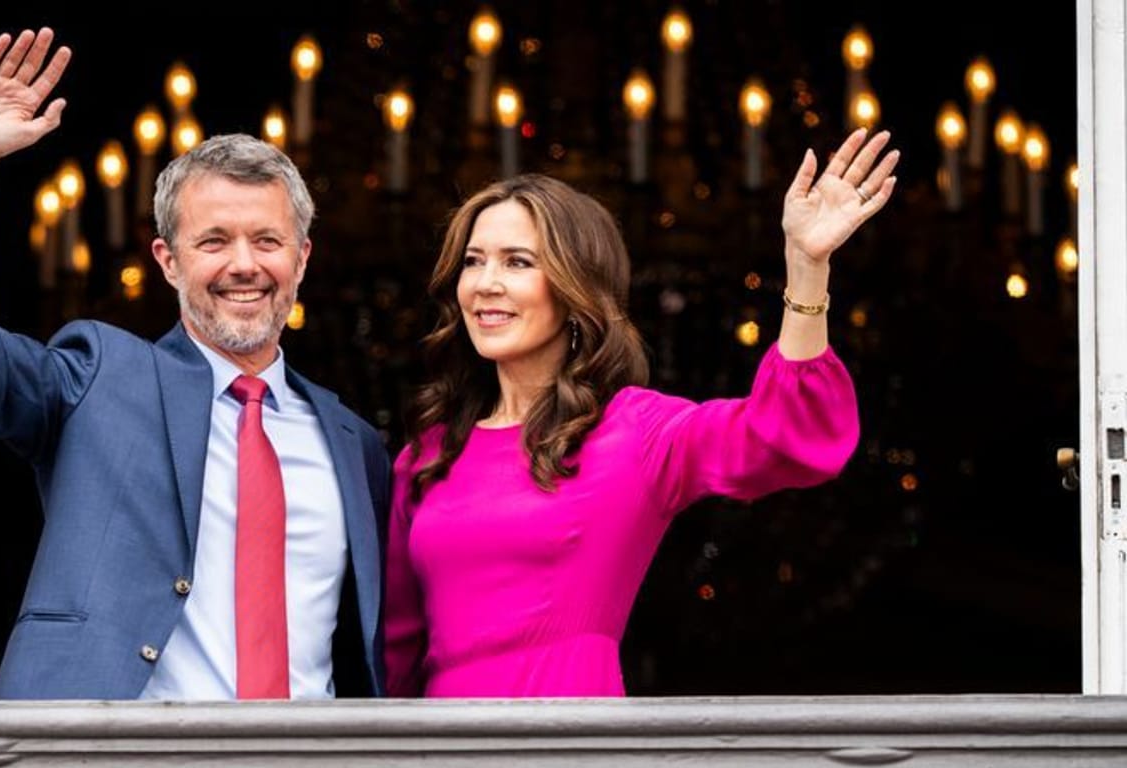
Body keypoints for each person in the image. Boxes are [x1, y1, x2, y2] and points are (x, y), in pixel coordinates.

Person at [0, 28, 391, 700]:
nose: (244, 265)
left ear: (302, 260)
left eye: (268, 240)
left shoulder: (354, 444)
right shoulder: (100, 376)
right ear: (167, 260)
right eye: (213, 240)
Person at [385, 130, 899, 697]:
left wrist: (806, 269)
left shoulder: (635, 433)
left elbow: (789, 436)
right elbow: (394, 653)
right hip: (438, 749)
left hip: (572, 749)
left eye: (518, 262)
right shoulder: (428, 455)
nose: (486, 284)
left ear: (573, 288)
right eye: (474, 261)